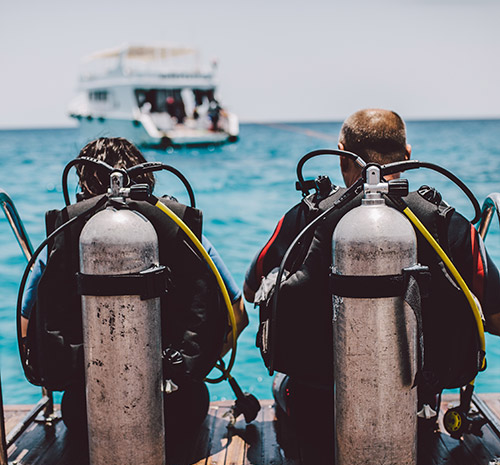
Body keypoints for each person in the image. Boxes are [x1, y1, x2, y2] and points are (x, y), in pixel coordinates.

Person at [244, 108, 500, 440]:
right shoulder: (447, 224)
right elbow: (495, 321)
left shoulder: (305, 218)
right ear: (407, 156)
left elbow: (252, 291)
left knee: (285, 385)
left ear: (341, 157)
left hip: (317, 417)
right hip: (413, 420)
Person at [21, 137, 248, 436]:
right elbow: (238, 314)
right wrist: (189, 364)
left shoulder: (62, 240)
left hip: (87, 417)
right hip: (180, 411)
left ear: (83, 188)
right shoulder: (182, 232)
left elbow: (28, 333)